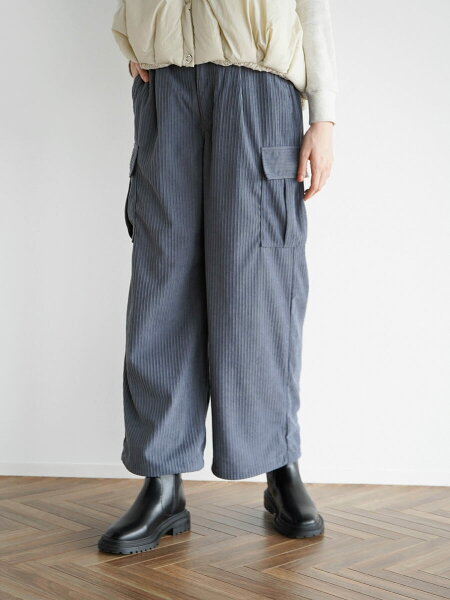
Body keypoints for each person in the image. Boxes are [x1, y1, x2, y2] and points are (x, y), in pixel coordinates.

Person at [98, 0, 338, 554]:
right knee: (161, 289)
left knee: (259, 292)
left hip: (258, 88)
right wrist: (134, 38)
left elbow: (311, 7)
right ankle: (161, 482)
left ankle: (280, 466)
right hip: (166, 89)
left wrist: (323, 116)